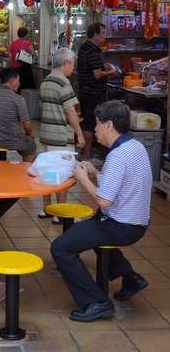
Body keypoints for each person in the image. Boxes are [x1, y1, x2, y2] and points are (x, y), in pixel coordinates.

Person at [51, 101, 151, 322]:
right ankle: (130, 278)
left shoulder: (117, 156)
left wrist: (83, 178)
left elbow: (104, 200)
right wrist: (95, 172)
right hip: (137, 222)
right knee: (91, 228)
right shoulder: (135, 146)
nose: (94, 130)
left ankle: (97, 302)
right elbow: (119, 186)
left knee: (60, 248)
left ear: (108, 125)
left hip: (121, 225)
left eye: (96, 125)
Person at [38, 48, 86, 221]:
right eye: (72, 64)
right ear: (66, 63)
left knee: (48, 173)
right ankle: (60, 214)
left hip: (45, 135)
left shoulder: (45, 81)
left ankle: (46, 209)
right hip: (60, 137)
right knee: (62, 175)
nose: (73, 68)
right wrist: (79, 134)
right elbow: (71, 112)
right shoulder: (64, 83)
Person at [77, 23, 117, 160]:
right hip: (92, 93)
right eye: (103, 33)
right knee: (89, 123)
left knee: (85, 121)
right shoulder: (93, 51)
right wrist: (111, 72)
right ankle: (87, 153)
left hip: (84, 91)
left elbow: (92, 68)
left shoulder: (84, 47)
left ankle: (84, 151)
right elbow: (97, 75)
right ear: (95, 34)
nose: (104, 36)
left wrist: (102, 66)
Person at [0, 68, 36, 162]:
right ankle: (26, 170)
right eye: (18, 81)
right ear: (12, 81)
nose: (19, 83)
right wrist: (30, 134)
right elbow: (27, 126)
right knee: (31, 146)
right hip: (10, 140)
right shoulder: (18, 99)